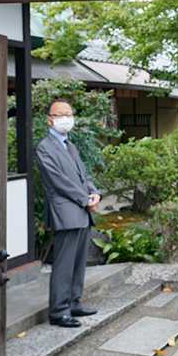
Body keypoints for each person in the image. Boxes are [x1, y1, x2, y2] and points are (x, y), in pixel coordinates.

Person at [36, 99, 102, 328]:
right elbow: (59, 181)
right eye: (59, 114)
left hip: (82, 211)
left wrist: (95, 194)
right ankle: (59, 310)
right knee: (64, 264)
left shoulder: (70, 145)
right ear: (49, 120)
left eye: (68, 114)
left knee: (78, 262)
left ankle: (73, 302)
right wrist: (85, 199)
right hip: (65, 211)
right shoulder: (45, 147)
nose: (65, 118)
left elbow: (84, 176)